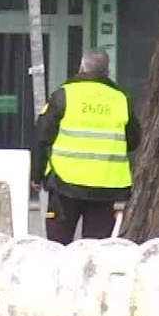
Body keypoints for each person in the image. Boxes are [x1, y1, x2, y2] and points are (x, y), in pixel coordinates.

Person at [31, 50, 140, 244]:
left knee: (58, 247)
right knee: (94, 251)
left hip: (65, 185)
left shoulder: (64, 95)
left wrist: (36, 176)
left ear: (81, 68)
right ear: (107, 72)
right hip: (105, 188)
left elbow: (41, 137)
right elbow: (133, 140)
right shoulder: (120, 99)